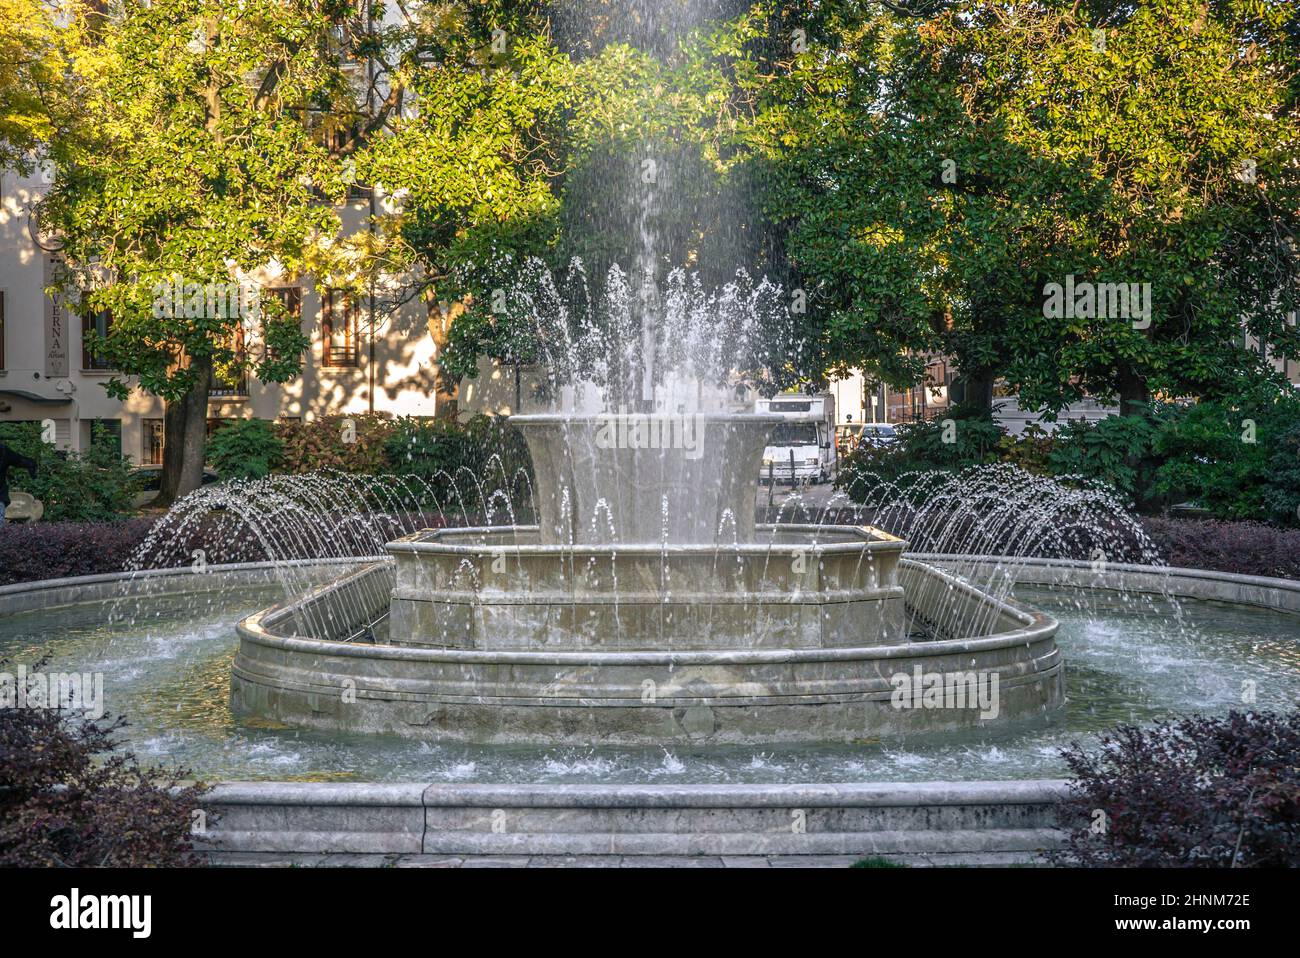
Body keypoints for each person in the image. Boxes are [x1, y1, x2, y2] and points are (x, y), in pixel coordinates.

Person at [0, 443, 38, 525]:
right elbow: (20, 460)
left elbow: (20, 460)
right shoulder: (3, 450)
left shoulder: (3, 451)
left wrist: (32, 464)